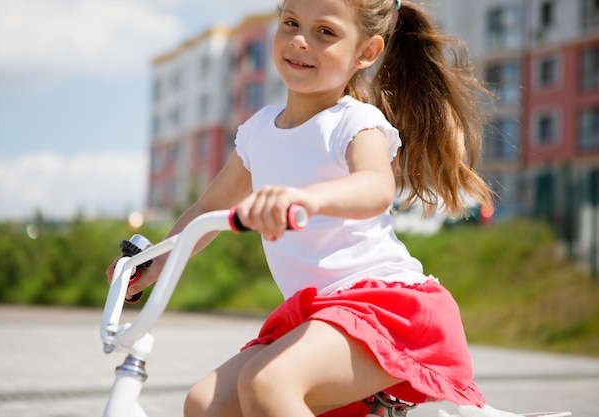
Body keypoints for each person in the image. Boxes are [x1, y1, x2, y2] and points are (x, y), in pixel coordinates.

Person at [108, 0, 494, 416]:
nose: (299, 40)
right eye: (291, 22)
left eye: (324, 32)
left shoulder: (355, 122)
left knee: (267, 385)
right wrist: (152, 264)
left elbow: (376, 188)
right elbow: (209, 207)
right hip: (316, 315)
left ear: (366, 53)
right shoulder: (259, 131)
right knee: (204, 404)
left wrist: (306, 198)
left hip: (383, 306)